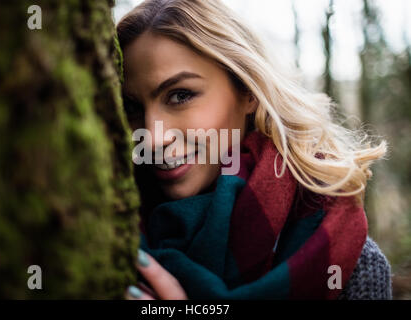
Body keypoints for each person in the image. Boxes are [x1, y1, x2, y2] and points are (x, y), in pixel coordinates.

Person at [117, 0, 392, 300]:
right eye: (131, 107)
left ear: (247, 91)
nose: (153, 138)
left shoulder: (343, 258)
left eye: (180, 95)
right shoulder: (108, 229)